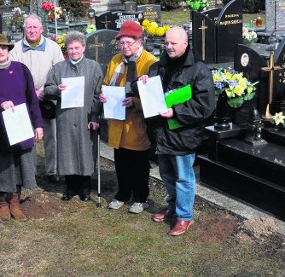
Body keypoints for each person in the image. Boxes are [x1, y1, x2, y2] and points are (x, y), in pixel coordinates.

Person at [139, 27, 215, 236]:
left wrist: (175, 111)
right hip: (162, 133)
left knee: (183, 177)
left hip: (183, 134)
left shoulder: (199, 70)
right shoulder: (157, 67)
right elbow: (151, 94)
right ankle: (172, 206)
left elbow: (205, 105)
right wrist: (143, 83)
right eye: (167, 43)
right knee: (166, 175)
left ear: (185, 43)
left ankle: (184, 216)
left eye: (173, 43)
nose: (169, 47)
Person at [0, 33, 44, 221]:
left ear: (8, 50)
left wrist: (38, 124)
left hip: (22, 127)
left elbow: (32, 99)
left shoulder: (21, 69)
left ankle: (15, 202)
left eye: (3, 48)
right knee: (4, 166)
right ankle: (3, 202)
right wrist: (0, 102)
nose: (0, 52)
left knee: (21, 165)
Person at [99, 21, 158, 214]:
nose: (125, 47)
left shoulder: (150, 62)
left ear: (139, 41)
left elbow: (154, 97)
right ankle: (123, 193)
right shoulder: (116, 60)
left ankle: (141, 197)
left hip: (137, 123)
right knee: (121, 161)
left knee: (139, 163)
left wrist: (136, 102)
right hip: (117, 121)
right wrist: (103, 95)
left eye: (129, 43)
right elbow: (107, 83)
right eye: (122, 43)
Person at [44, 31, 102, 201]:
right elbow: (47, 89)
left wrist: (94, 117)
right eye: (71, 48)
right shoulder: (59, 68)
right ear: (66, 49)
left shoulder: (93, 67)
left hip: (86, 116)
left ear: (83, 48)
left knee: (85, 151)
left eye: (77, 47)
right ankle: (70, 187)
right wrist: (57, 90)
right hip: (66, 117)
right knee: (67, 151)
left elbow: (98, 94)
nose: (74, 51)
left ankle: (85, 188)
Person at [10, 14, 64, 183]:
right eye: (29, 27)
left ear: (41, 29)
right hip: (25, 98)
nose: (32, 30)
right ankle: (29, 170)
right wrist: (30, 91)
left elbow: (59, 70)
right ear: (24, 28)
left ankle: (52, 170)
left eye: (35, 27)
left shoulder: (53, 48)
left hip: (48, 96)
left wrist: (45, 89)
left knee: (51, 135)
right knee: (28, 134)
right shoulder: (16, 49)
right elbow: (13, 73)